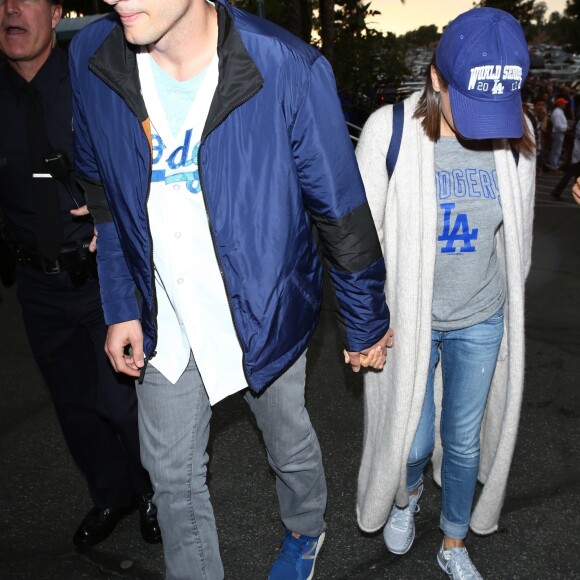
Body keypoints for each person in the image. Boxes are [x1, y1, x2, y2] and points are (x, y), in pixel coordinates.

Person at [68, 0, 392, 578]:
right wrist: (120, 304)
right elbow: (104, 198)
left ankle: (304, 530)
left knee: (288, 446)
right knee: (170, 475)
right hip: (161, 305)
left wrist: (365, 320)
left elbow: (340, 210)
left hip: (265, 305)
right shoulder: (91, 57)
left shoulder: (288, 67)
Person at [355, 8, 535, 579]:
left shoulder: (518, 132)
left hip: (481, 316)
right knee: (410, 442)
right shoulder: (391, 131)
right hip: (407, 318)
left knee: (461, 443)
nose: (487, 127)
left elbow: (520, 238)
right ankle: (404, 497)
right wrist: (367, 322)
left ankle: (454, 543)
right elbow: (360, 239)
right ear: (437, 78)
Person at [0, 0, 160, 550]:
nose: (10, 11)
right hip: (36, 283)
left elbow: (147, 155)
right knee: (73, 407)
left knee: (120, 400)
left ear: (53, 13)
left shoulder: (91, 78)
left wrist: (110, 209)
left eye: (24, 0)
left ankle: (155, 491)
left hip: (101, 275)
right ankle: (111, 493)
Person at [551, 120, 580, 200]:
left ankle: (559, 191)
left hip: (578, 153)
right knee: (571, 173)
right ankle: (557, 191)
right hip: (578, 154)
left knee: (575, 174)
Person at [546, 96, 569, 172]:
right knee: (556, 150)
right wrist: (565, 128)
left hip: (559, 133)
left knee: (557, 150)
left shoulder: (559, 111)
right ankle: (554, 166)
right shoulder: (557, 112)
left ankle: (554, 166)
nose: (565, 105)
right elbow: (558, 125)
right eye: (563, 103)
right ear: (560, 104)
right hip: (558, 133)